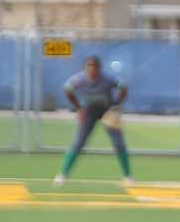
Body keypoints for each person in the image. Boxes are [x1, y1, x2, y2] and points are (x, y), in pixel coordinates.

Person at [54, 55, 133, 186]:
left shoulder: (107, 79)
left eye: (95, 66)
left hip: (107, 111)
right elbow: (67, 88)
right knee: (78, 142)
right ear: (85, 68)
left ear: (100, 68)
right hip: (89, 111)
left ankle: (128, 176)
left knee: (119, 143)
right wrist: (78, 108)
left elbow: (123, 86)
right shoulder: (79, 79)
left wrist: (116, 105)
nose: (92, 69)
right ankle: (62, 174)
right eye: (89, 66)